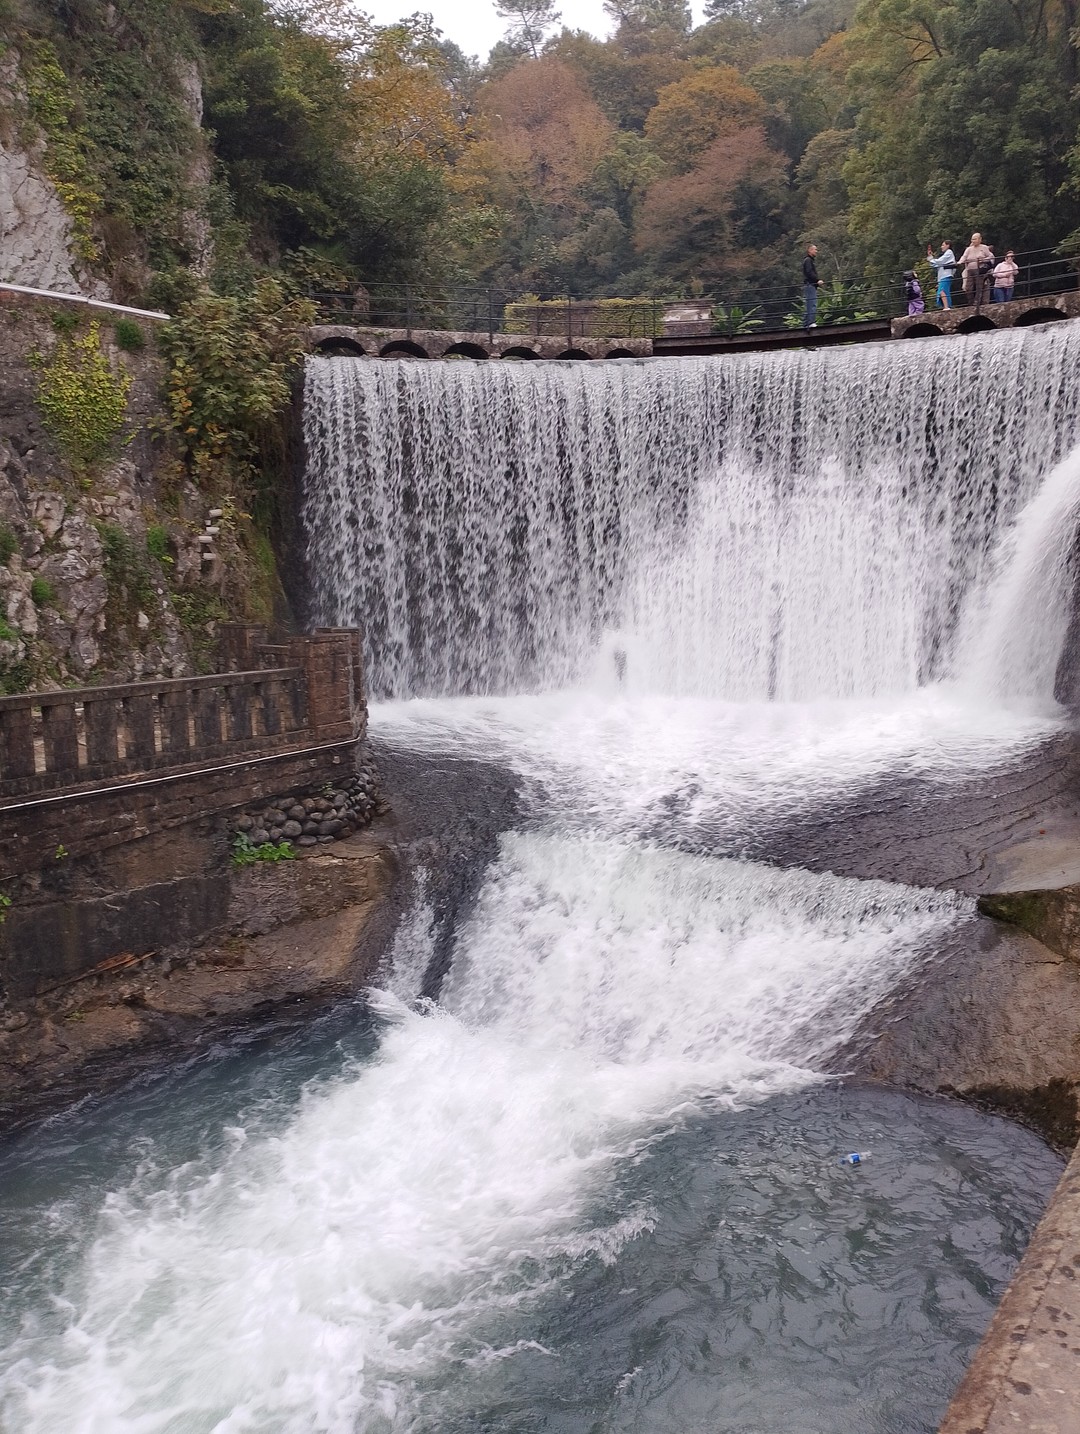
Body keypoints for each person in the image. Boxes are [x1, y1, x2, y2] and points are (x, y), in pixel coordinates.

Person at [957, 232, 994, 306]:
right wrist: (960, 262)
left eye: (975, 239)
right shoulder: (969, 249)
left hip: (979, 269)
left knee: (979, 286)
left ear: (980, 239)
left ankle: (976, 302)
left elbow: (991, 257)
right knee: (968, 288)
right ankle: (970, 302)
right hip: (970, 270)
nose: (973, 241)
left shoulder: (984, 247)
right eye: (972, 239)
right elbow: (964, 256)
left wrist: (983, 260)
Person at [926, 241, 955, 309]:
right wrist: (930, 257)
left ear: (948, 245)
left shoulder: (949, 252)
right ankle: (947, 306)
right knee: (943, 291)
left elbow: (940, 261)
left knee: (942, 290)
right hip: (943, 275)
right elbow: (936, 264)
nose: (941, 247)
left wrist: (932, 260)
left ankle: (946, 307)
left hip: (946, 275)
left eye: (943, 245)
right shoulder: (946, 254)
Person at [802, 243, 823, 327]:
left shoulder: (808, 260)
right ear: (810, 250)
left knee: (809, 304)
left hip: (810, 285)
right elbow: (809, 272)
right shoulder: (808, 260)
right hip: (810, 285)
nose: (816, 251)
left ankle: (806, 323)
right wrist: (817, 280)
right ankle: (810, 322)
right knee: (812, 303)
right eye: (815, 249)